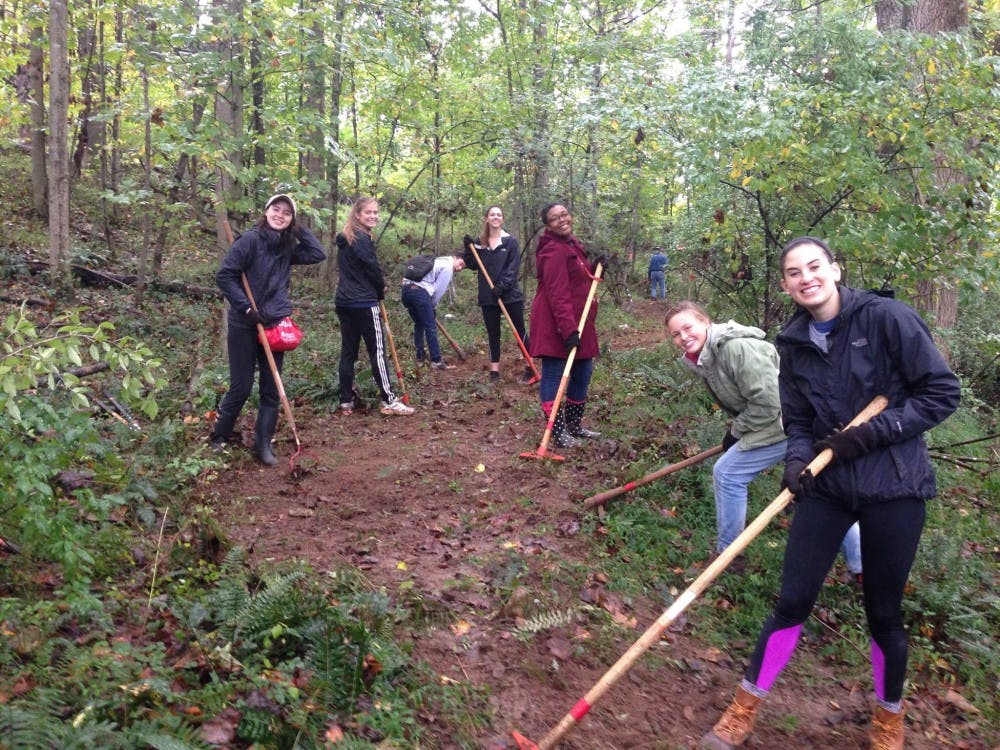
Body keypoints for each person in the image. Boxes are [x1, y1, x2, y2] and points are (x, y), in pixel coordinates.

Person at [702, 236, 960, 750]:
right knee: (792, 601)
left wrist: (868, 435)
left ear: (835, 269)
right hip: (829, 488)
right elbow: (797, 420)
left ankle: (888, 718)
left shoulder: (887, 319)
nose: (806, 278)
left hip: (895, 486)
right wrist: (798, 459)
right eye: (794, 272)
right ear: (785, 284)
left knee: (883, 612)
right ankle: (745, 706)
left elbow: (941, 393)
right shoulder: (792, 344)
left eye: (814, 266)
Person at [665, 301, 862, 576]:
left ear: (706, 322)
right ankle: (862, 564)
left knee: (728, 472)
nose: (683, 337)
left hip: (792, 422)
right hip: (782, 419)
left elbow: (771, 403)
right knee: (818, 488)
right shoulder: (707, 356)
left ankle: (729, 554)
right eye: (676, 334)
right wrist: (738, 429)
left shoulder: (736, 348)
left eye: (688, 327)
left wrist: (736, 431)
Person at [213, 194, 326, 465]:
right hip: (245, 323)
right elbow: (225, 275)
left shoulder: (286, 247)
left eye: (287, 213)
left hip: (274, 324)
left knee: (271, 387)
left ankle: (262, 445)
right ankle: (219, 437)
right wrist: (246, 308)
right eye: (276, 210)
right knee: (241, 386)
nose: (280, 215)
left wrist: (296, 227)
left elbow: (317, 253)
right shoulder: (250, 240)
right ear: (265, 212)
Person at [528, 202, 602, 448]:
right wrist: (568, 330)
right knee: (554, 374)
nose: (562, 220)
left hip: (579, 320)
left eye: (564, 214)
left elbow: (578, 279)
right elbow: (557, 293)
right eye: (555, 218)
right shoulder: (552, 250)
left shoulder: (572, 245)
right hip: (556, 322)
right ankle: (558, 432)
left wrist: (595, 268)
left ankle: (574, 426)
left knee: (583, 372)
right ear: (548, 225)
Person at [334, 197, 414, 416]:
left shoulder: (348, 237)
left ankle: (346, 401)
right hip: (363, 302)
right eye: (368, 212)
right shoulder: (360, 238)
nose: (373, 216)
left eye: (376, 212)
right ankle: (388, 399)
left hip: (344, 301)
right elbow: (373, 269)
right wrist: (380, 290)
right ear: (357, 215)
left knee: (348, 351)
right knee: (377, 350)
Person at [462, 206, 532, 383]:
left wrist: (502, 287)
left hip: (509, 295)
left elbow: (513, 268)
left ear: (503, 219)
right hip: (488, 296)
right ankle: (494, 372)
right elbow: (472, 264)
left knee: (520, 331)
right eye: (492, 214)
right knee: (493, 333)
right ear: (486, 218)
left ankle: (529, 367)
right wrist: (469, 248)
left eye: (499, 214)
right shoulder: (480, 243)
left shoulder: (510, 242)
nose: (495, 217)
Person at [401, 254, 466, 370]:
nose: (460, 268)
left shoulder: (438, 260)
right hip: (420, 293)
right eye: (461, 264)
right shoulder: (447, 267)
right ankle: (436, 361)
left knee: (419, 324)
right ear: (455, 257)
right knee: (430, 327)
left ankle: (420, 357)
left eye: (463, 268)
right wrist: (432, 307)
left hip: (406, 291)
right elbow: (438, 291)